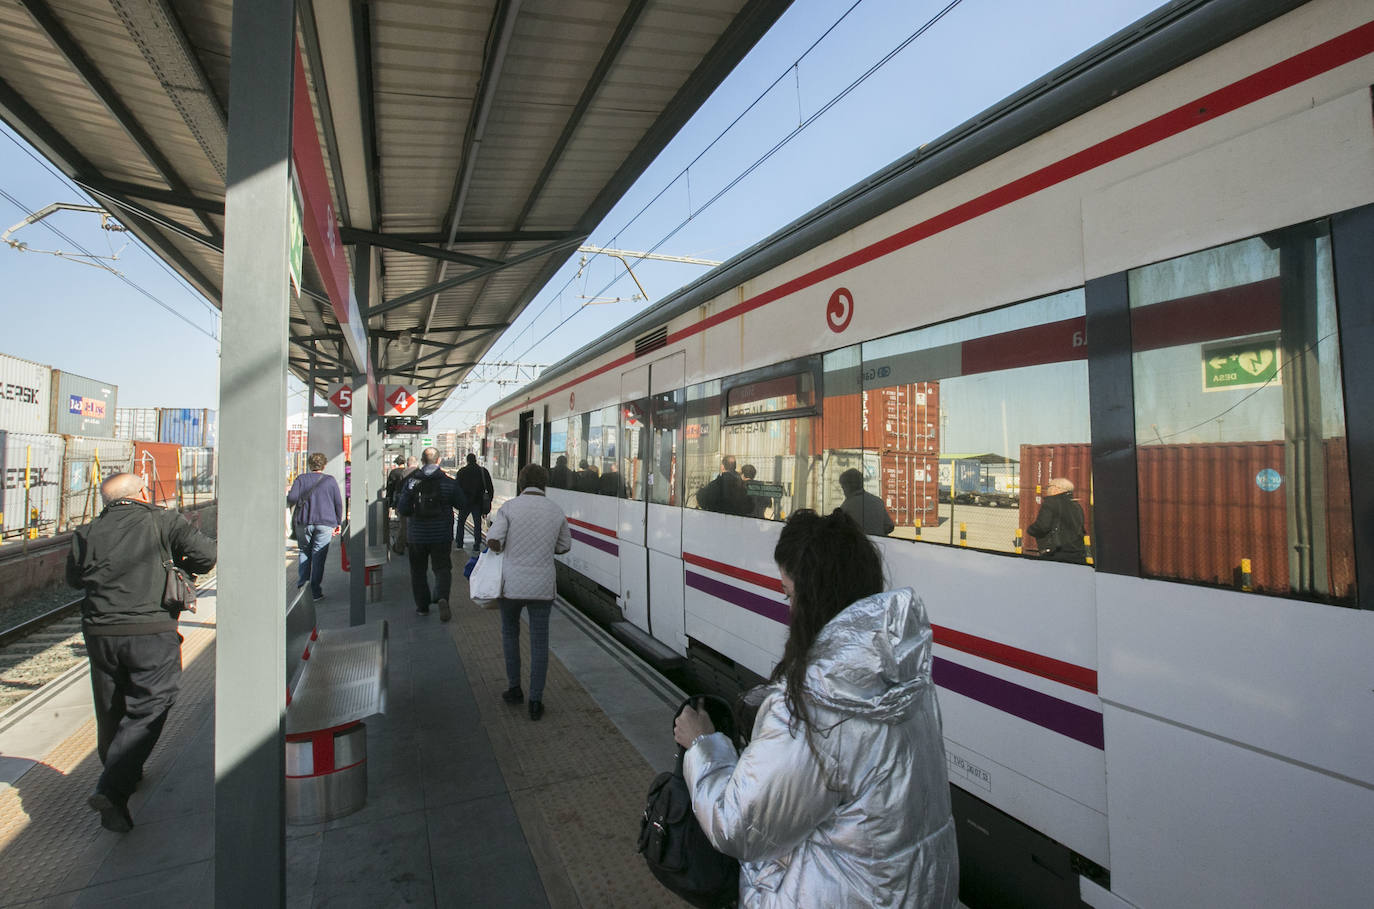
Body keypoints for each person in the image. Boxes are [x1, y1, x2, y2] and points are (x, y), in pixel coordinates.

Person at [672, 509, 958, 906]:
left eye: (789, 594)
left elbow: (735, 825)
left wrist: (704, 745)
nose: (788, 609)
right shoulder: (907, 679)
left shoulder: (817, 703)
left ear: (813, 598)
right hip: (914, 890)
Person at [66, 472, 217, 832]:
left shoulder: (86, 532)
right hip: (150, 630)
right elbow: (207, 556)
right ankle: (113, 786)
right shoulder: (163, 520)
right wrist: (179, 566)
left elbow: (75, 580)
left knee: (111, 706)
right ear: (143, 492)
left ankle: (122, 772)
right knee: (152, 704)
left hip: (99, 632)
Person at [485, 463, 571, 721]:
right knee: (539, 642)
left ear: (521, 483)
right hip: (542, 586)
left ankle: (514, 689)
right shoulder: (556, 511)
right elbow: (564, 546)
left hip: (511, 586)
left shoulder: (509, 508)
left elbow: (493, 540)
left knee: (510, 635)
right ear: (544, 484)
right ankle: (536, 700)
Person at [396, 447, 466, 620]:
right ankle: (442, 597)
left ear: (422, 460)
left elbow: (402, 508)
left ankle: (422, 606)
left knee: (418, 571)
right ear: (439, 460)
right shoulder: (448, 482)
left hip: (417, 536)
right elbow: (462, 504)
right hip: (441, 535)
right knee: (442, 568)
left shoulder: (412, 483)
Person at [287, 452, 344, 600]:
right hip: (325, 523)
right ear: (324, 465)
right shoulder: (330, 481)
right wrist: (338, 522)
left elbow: (292, 498)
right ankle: (315, 592)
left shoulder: (301, 479)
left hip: (304, 522)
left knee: (304, 552)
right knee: (319, 555)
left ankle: (302, 588)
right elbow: (338, 503)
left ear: (309, 465)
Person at [1026, 476, 1087, 563]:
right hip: (1078, 553)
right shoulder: (1076, 505)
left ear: (1056, 489)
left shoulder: (1051, 502)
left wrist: (1031, 530)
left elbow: (1042, 526)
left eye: (1048, 487)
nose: (1047, 490)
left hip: (1056, 554)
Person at [838, 467, 895, 537]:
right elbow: (889, 527)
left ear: (848, 486)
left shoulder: (846, 507)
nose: (843, 491)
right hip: (878, 545)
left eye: (843, 487)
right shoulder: (878, 501)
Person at [455, 452, 495, 551]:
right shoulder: (482, 471)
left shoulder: (462, 472)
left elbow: (456, 488)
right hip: (478, 502)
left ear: (467, 460)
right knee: (477, 524)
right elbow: (490, 488)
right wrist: (489, 500)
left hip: (464, 502)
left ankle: (459, 543)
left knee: (461, 523)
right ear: (475, 460)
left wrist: (457, 501)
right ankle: (477, 544)